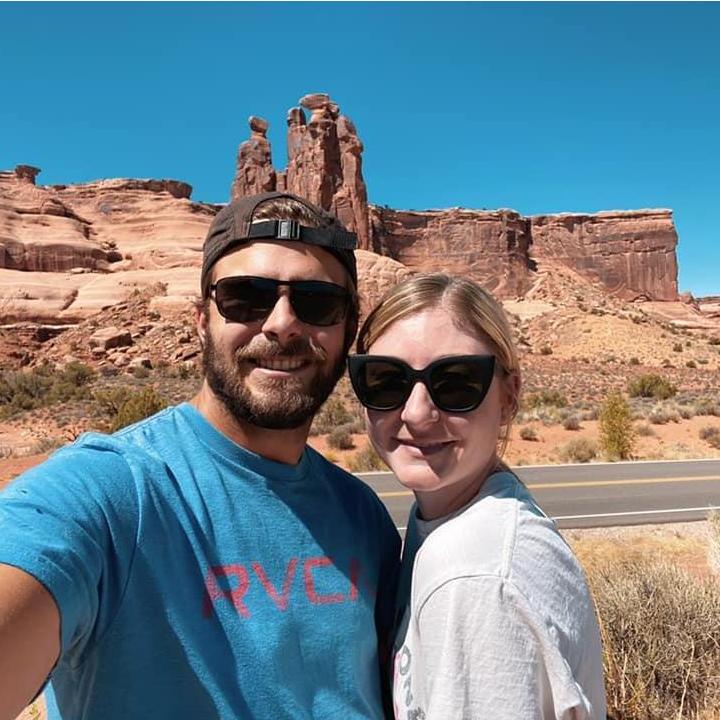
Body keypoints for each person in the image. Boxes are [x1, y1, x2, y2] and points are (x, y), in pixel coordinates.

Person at [0, 191, 401, 720]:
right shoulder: (110, 492)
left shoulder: (361, 514)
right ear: (200, 319)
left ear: (347, 329)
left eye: (317, 301)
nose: (282, 323)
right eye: (246, 297)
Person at [347, 273, 606, 720]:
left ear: (510, 394)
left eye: (456, 382)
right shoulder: (453, 517)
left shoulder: (475, 575)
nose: (416, 412)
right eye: (385, 380)